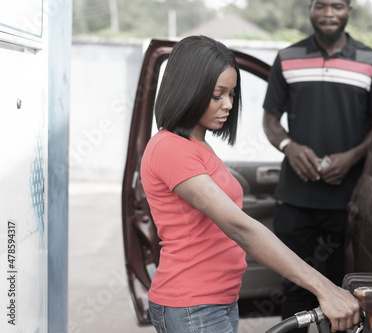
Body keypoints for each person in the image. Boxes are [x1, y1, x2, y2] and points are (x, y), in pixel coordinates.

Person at [140, 35, 360, 333]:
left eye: (232, 94)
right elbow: (239, 227)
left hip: (215, 302)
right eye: (218, 95)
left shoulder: (196, 146)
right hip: (192, 305)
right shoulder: (171, 148)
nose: (228, 104)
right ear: (188, 90)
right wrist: (325, 288)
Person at [262, 0, 372, 329]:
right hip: (294, 201)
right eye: (321, 5)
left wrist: (354, 155)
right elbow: (270, 120)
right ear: (310, 8)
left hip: (347, 204)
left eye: (337, 5)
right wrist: (289, 146)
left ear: (349, 9)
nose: (328, 13)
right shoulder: (287, 58)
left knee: (343, 295)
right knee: (293, 290)